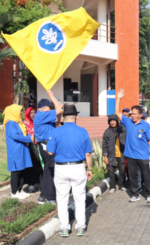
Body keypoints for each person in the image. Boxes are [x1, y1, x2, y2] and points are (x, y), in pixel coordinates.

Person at [47, 104, 93, 237]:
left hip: (61, 168)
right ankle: (80, 227)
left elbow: (50, 152)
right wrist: (89, 169)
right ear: (76, 116)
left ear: (63, 117)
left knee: (62, 199)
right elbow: (88, 154)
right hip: (78, 167)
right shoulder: (83, 131)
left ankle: (65, 228)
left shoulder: (55, 131)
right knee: (79, 198)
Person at [115, 89, 150, 203]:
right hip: (131, 155)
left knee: (146, 175)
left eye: (135, 114)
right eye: (131, 114)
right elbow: (117, 113)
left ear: (140, 115)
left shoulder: (146, 125)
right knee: (133, 176)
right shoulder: (128, 122)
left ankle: (149, 194)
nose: (132, 115)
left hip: (143, 155)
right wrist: (118, 99)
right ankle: (135, 194)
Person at [33, 89, 63, 205]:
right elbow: (59, 110)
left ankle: (44, 196)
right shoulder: (41, 115)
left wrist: (58, 106)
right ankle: (48, 197)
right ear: (43, 108)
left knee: (48, 171)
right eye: (49, 107)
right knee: (50, 171)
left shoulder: (44, 117)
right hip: (46, 146)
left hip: (47, 145)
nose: (51, 109)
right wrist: (52, 96)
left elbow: (58, 119)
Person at [4, 104, 34, 199]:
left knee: (21, 170)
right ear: (13, 111)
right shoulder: (10, 123)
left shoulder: (16, 123)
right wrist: (29, 138)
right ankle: (14, 192)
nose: (21, 112)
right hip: (15, 151)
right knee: (16, 172)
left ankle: (20, 190)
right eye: (20, 110)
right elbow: (15, 136)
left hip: (21, 149)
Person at [102, 114, 126, 193]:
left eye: (114, 121)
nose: (112, 122)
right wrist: (105, 156)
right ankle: (112, 186)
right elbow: (104, 145)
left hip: (121, 153)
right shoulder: (107, 132)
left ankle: (121, 185)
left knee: (122, 170)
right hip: (111, 154)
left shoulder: (122, 129)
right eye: (111, 121)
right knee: (111, 171)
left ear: (117, 121)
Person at [23, 107, 42, 193]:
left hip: (38, 145)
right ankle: (31, 184)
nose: (33, 114)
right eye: (31, 113)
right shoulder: (24, 123)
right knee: (31, 165)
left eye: (34, 113)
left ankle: (39, 183)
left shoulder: (38, 122)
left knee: (39, 165)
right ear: (27, 114)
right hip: (29, 147)